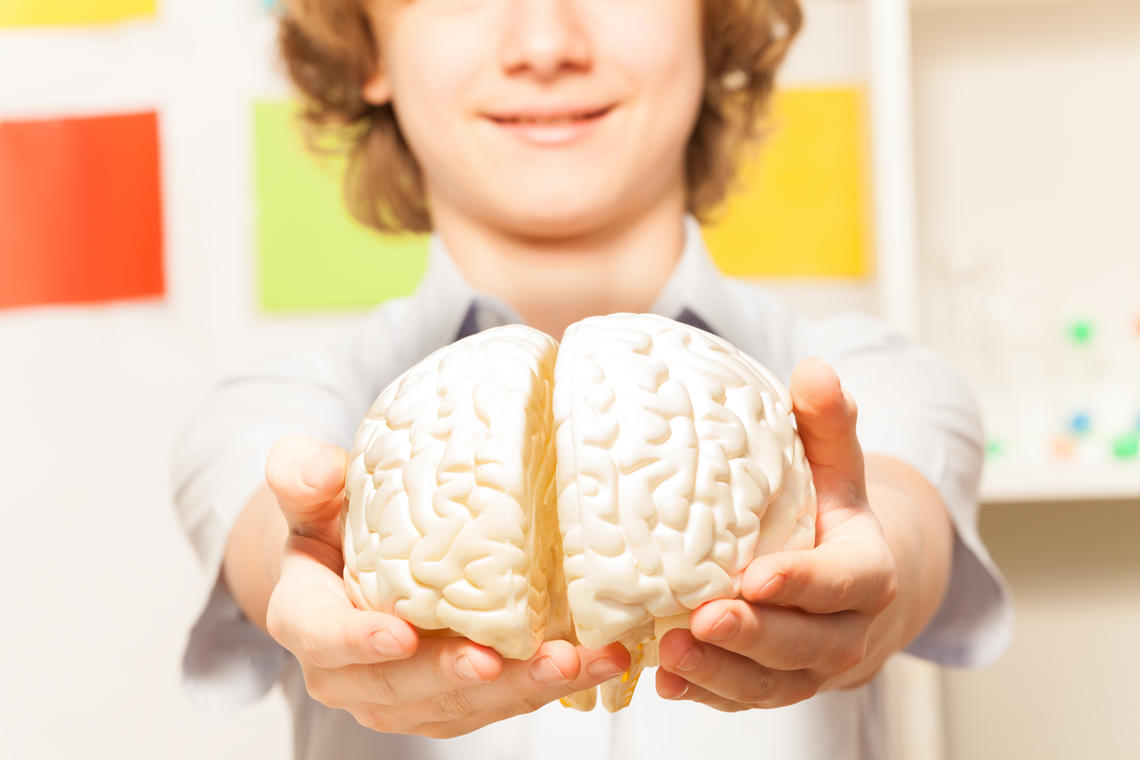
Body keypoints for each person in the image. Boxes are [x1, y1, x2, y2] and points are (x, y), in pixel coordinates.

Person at [171, 0, 1013, 758]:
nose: (545, 43)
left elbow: (898, 529)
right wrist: (305, 567)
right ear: (367, 48)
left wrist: (858, 588)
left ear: (713, 23)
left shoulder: (868, 384)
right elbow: (268, 537)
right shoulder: (283, 409)